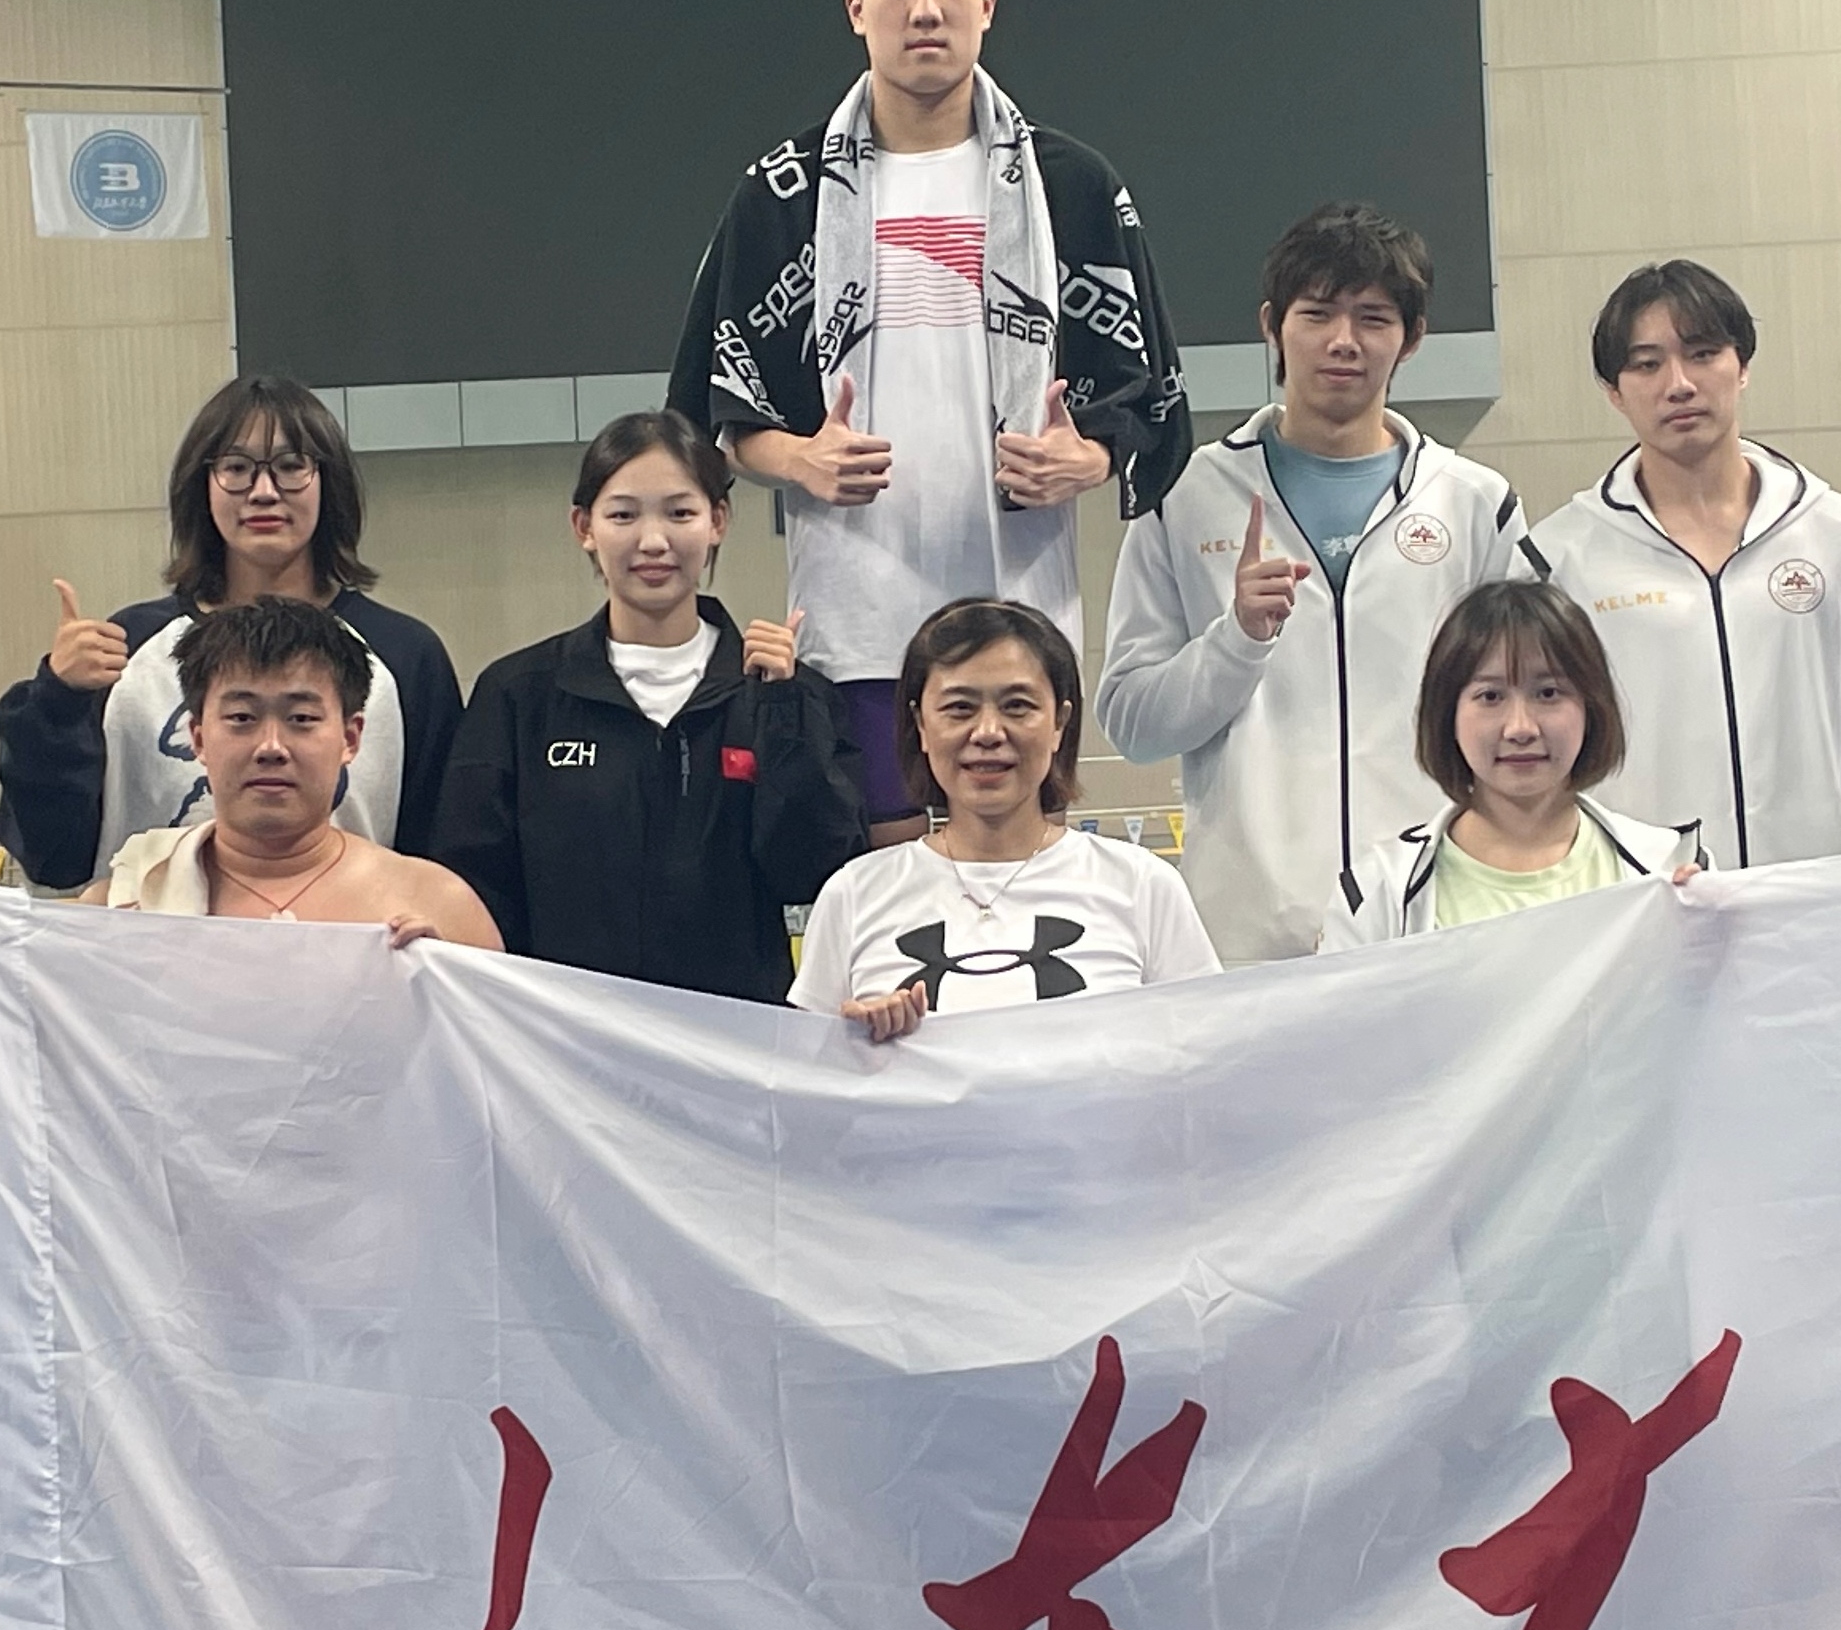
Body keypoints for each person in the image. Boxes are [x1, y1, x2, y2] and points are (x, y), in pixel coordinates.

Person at [667, 0, 1192, 839]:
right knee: (893, 881)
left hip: (1023, 615)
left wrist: (1085, 458)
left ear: (986, 2)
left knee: (1020, 872)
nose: (924, 7)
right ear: (855, 8)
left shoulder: (1070, 187)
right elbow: (713, 413)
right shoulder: (783, 193)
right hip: (857, 622)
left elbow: (1144, 395)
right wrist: (802, 458)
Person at [1096, 203, 1527, 963]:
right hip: (1247, 931)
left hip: (1434, 917)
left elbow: (1526, 714)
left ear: (1412, 338)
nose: (1342, 341)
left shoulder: (1475, 504)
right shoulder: (1182, 496)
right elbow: (1132, 725)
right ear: (1272, 325)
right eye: (1317, 313)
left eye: (1373, 318)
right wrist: (1235, 641)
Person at [435, 412, 862, 997]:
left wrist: (783, 714)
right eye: (623, 515)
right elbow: (473, 882)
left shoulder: (788, 692)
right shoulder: (518, 695)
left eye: (680, 513)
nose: (654, 541)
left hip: (737, 1033)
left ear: (718, 521)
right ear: (584, 526)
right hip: (564, 1031)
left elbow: (815, 872)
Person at [0, 376, 463, 889]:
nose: (264, 492)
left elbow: (440, 860)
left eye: (290, 467)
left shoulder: (404, 656)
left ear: (329, 483)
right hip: (155, 939)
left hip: (346, 935)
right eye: (236, 468)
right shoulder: (126, 649)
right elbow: (51, 857)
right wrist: (57, 699)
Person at [1517, 259, 1841, 869]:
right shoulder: (1557, 559)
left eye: (1702, 354)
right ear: (1614, 391)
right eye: (1647, 364)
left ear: (1741, 366)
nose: (1679, 384)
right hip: (1645, 899)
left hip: (1811, 895)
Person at [794, 597, 1217, 1038]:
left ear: (1059, 723)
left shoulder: (1142, 884)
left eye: (1017, 706)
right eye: (960, 708)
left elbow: (1203, 1053)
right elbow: (805, 1069)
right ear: (921, 725)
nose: (988, 733)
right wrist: (857, 1047)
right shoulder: (853, 894)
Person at [88, 597, 500, 945]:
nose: (271, 747)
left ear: (350, 738)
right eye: (242, 717)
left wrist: (441, 982)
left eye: (301, 718)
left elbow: (494, 1019)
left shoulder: (441, 906)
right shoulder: (122, 905)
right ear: (198, 739)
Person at [1333, 582, 1700, 943]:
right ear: (1447, 714)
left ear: (1591, 706)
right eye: (1490, 696)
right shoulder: (1375, 894)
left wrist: (1705, 937)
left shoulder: (1670, 866)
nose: (1520, 728)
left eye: (1548, 693)